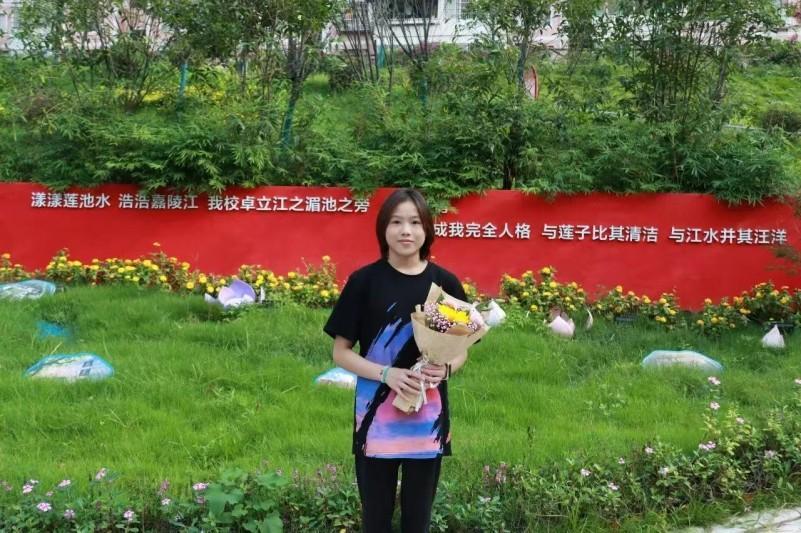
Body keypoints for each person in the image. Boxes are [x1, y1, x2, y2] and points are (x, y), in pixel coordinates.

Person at [324, 188, 469, 533]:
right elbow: (340, 352)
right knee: (376, 520)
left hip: (427, 422)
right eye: (396, 222)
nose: (406, 231)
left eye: (415, 222)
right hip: (375, 423)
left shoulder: (444, 284)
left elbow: (460, 349)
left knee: (418, 522)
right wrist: (386, 374)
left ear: (427, 229)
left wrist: (446, 368)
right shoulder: (364, 282)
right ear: (383, 229)